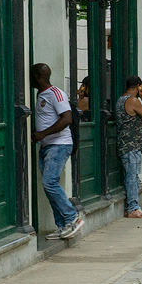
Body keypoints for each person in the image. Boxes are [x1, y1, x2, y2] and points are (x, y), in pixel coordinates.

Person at [30, 63, 84, 239]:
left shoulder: (56, 93)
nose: (29, 79)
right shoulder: (41, 94)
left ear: (39, 77)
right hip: (47, 146)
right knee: (49, 186)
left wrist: (43, 134)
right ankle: (62, 226)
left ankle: (72, 218)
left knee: (49, 183)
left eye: (31, 75)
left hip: (59, 145)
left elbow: (67, 119)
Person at [116, 75, 142, 219]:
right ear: (138, 86)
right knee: (132, 176)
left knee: (130, 176)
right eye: (141, 87)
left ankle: (131, 206)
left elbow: (127, 121)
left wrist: (139, 128)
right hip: (131, 145)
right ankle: (133, 208)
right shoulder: (133, 100)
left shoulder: (120, 100)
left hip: (124, 142)